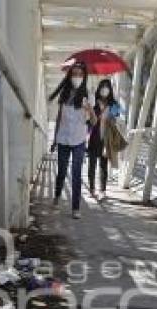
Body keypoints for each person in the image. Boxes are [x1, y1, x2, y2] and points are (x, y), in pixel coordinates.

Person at [49, 62, 93, 219]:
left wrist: (89, 109)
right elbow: (59, 118)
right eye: (74, 74)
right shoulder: (64, 95)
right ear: (69, 76)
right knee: (61, 171)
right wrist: (54, 140)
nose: (77, 77)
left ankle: (75, 208)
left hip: (79, 140)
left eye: (80, 74)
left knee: (76, 174)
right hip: (63, 138)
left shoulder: (88, 96)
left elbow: (93, 122)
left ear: (84, 77)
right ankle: (56, 198)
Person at [87, 78, 122, 198]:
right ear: (99, 89)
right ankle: (92, 189)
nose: (104, 89)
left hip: (106, 139)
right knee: (92, 165)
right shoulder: (94, 102)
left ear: (110, 89)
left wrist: (109, 113)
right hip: (93, 137)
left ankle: (103, 191)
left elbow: (118, 116)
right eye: (102, 86)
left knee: (103, 166)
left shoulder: (114, 104)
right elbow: (88, 120)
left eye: (107, 87)